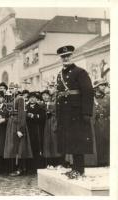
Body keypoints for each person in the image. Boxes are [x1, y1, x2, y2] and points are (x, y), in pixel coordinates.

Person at [55, 45, 94, 179]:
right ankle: (74, 168)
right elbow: (59, 96)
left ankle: (80, 169)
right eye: (63, 57)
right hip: (65, 113)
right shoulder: (60, 75)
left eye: (68, 56)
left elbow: (88, 92)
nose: (66, 58)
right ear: (61, 58)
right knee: (69, 141)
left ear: (73, 56)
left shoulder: (80, 72)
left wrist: (87, 113)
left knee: (78, 141)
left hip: (77, 113)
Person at [4, 92, 33, 176]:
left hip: (17, 124)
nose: (12, 90)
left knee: (19, 147)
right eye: (11, 88)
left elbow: (22, 114)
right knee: (13, 147)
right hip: (11, 124)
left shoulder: (20, 99)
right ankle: (15, 168)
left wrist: (20, 129)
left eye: (13, 88)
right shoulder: (11, 99)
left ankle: (20, 169)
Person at [41, 89, 63, 168]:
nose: (45, 97)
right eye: (43, 96)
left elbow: (57, 113)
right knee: (47, 143)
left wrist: (54, 122)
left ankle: (58, 162)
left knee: (55, 142)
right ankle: (49, 162)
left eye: (46, 95)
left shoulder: (54, 103)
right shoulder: (42, 104)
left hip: (53, 123)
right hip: (46, 125)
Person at [26, 92, 46, 173]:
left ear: (36, 99)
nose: (32, 99)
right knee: (28, 147)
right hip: (28, 130)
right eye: (30, 97)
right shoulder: (25, 107)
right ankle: (29, 167)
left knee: (37, 148)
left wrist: (33, 116)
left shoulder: (40, 108)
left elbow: (42, 118)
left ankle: (37, 167)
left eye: (34, 97)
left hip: (37, 130)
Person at [93, 80, 110, 166]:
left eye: (104, 85)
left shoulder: (108, 97)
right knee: (98, 141)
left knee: (107, 140)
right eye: (102, 85)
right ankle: (99, 161)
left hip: (106, 121)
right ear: (96, 87)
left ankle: (107, 161)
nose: (104, 87)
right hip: (96, 122)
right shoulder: (92, 98)